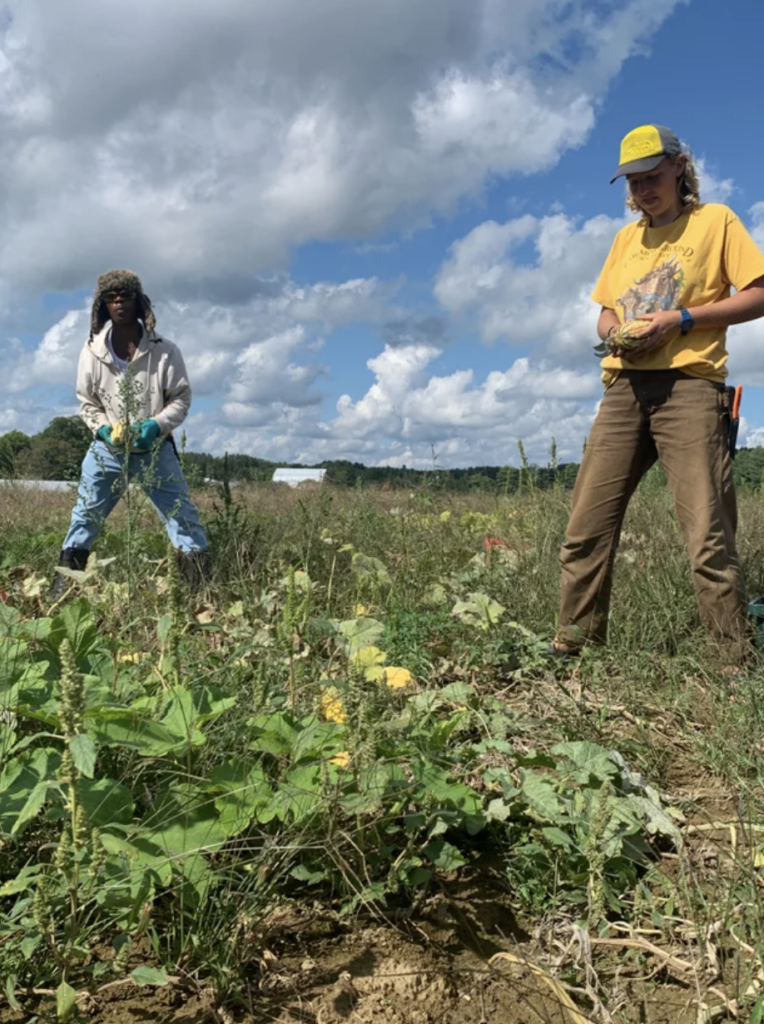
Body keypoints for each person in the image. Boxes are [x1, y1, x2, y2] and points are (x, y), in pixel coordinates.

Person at [554, 125, 764, 660]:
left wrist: (681, 319)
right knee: (585, 529)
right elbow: (606, 310)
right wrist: (614, 333)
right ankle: (573, 649)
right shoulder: (626, 239)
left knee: (708, 536)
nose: (644, 189)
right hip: (624, 388)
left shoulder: (715, 221)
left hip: (691, 387)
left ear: (679, 166)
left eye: (652, 176)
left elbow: (759, 293)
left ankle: (730, 663)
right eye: (634, 181)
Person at [51, 269, 210, 601]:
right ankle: (63, 593)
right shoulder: (91, 352)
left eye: (125, 296)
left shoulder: (165, 351)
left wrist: (156, 425)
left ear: (140, 303)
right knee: (85, 515)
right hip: (107, 451)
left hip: (154, 449)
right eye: (111, 298)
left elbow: (181, 398)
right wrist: (104, 430)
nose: (119, 303)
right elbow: (87, 402)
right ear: (102, 306)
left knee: (181, 515)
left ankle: (200, 594)